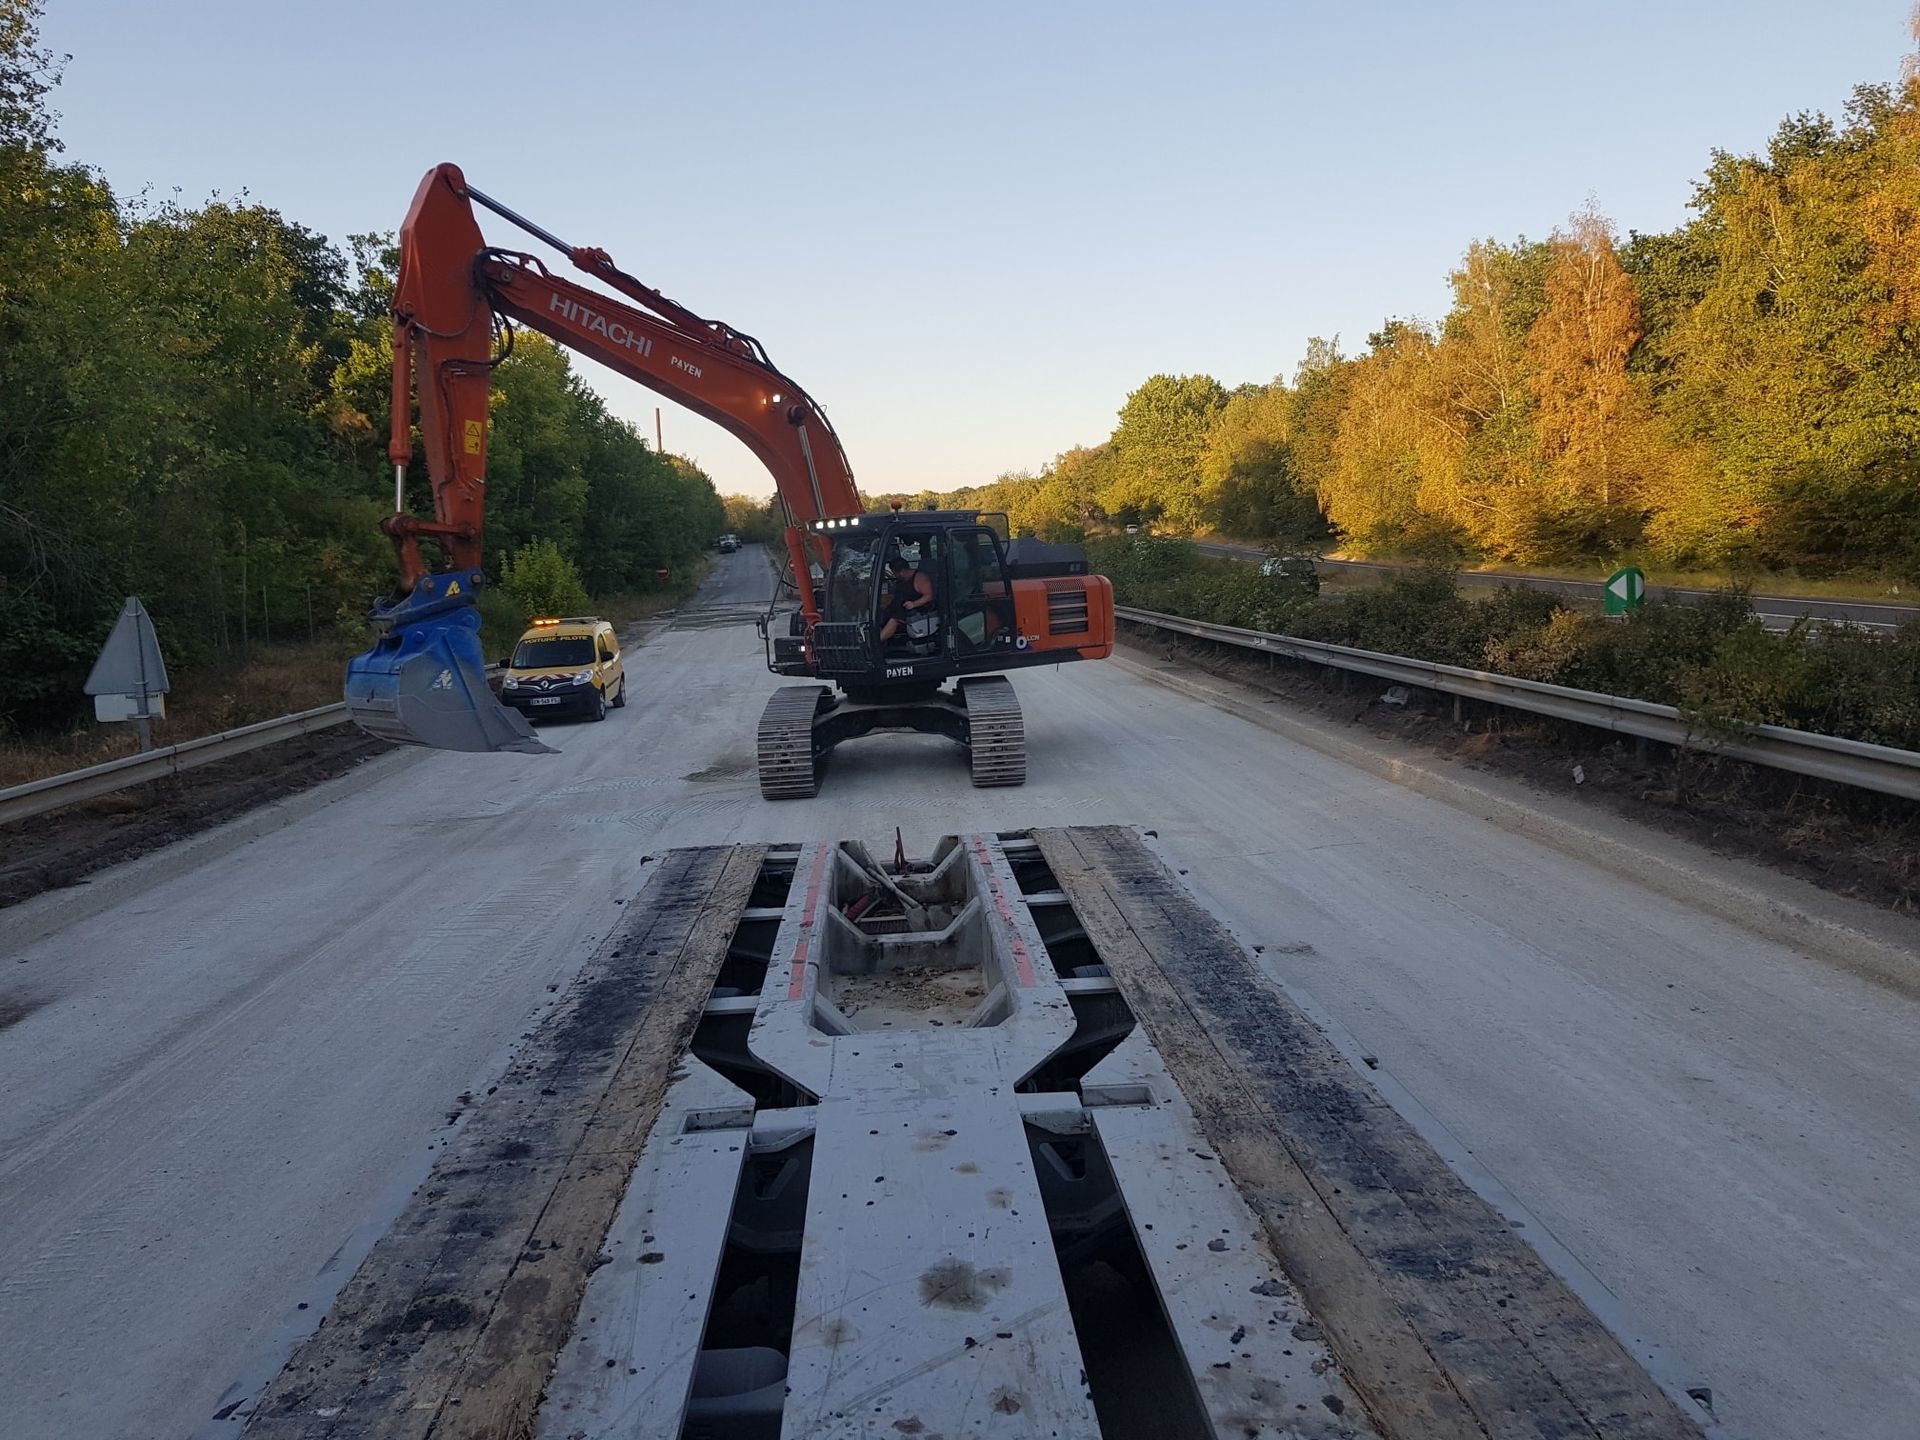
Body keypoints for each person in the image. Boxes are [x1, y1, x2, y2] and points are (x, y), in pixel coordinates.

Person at [878, 552, 935, 646]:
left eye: (894, 573)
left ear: (901, 571)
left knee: (895, 618)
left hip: (917, 609)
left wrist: (914, 604)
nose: (894, 576)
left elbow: (929, 596)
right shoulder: (900, 581)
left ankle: (876, 642)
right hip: (900, 606)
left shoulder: (920, 578)